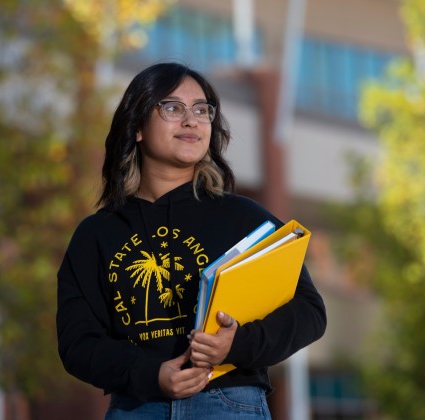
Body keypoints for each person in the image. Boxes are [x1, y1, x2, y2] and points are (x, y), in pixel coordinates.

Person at [56, 62, 327, 419]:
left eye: (202, 110)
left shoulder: (243, 218)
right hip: (136, 408)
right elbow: (79, 343)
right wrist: (150, 374)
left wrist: (236, 344)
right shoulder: (96, 235)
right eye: (172, 108)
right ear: (137, 125)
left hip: (228, 404)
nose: (191, 121)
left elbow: (309, 311)